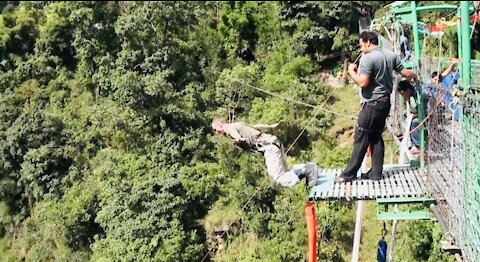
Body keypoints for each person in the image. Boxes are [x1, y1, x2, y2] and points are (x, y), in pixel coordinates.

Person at [335, 31, 417, 183]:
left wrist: (351, 71)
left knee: (361, 136)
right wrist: (416, 76)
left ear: (367, 42)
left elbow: (363, 82)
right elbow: (406, 73)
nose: (361, 49)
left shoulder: (368, 58)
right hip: (385, 102)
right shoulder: (391, 55)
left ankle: (348, 174)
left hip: (372, 103)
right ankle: (376, 173)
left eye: (361, 45)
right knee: (376, 136)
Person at [212, 117, 319, 187]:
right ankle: (309, 166)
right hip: (274, 142)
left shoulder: (230, 128)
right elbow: (256, 126)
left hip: (269, 148)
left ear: (220, 125)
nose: (217, 133)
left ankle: (307, 170)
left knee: (278, 180)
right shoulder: (239, 124)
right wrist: (271, 126)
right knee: (286, 172)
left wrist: (238, 139)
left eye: (216, 130)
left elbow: (235, 134)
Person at [397, 80, 429, 154]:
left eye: (403, 93)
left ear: (407, 90)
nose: (403, 96)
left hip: (430, 117)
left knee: (413, 123)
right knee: (409, 120)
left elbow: (425, 112)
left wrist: (416, 115)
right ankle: (413, 144)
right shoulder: (415, 94)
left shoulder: (419, 95)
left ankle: (420, 147)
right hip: (425, 115)